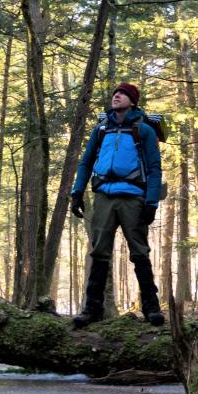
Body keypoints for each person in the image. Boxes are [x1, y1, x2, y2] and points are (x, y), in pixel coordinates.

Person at [69, 82, 164, 328]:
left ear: (133, 101)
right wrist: (76, 192)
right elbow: (85, 162)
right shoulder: (101, 129)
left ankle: (151, 308)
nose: (117, 96)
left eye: (122, 94)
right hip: (103, 196)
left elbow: (154, 168)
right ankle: (92, 310)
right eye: (115, 93)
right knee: (99, 251)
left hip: (133, 197)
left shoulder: (144, 131)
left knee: (139, 251)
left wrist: (151, 202)